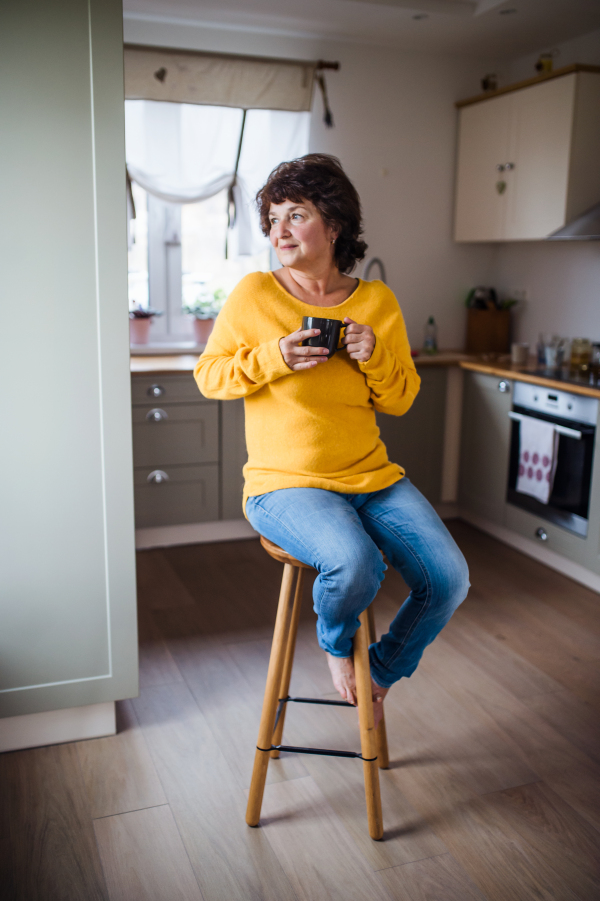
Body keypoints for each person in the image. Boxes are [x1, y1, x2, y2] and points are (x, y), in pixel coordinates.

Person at [195, 153, 469, 726]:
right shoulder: (254, 295)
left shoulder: (376, 303)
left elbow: (400, 398)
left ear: (335, 224)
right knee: (355, 561)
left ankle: (383, 669)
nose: (280, 231)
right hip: (285, 485)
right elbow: (209, 376)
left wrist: (374, 357)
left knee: (449, 578)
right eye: (273, 220)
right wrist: (275, 357)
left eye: (296, 215)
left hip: (371, 478)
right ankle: (338, 646)